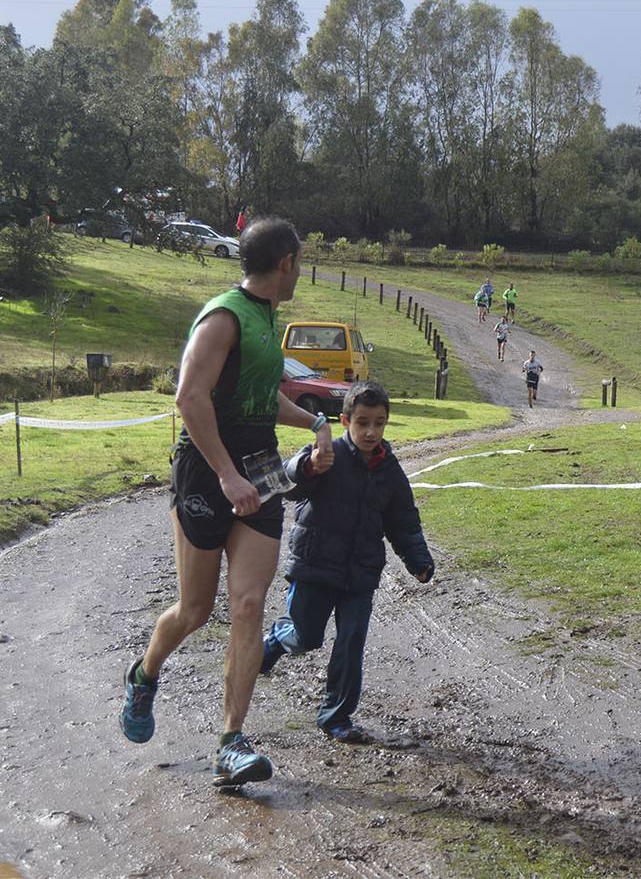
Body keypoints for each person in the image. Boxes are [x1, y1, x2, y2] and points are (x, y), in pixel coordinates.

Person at [120, 218, 335, 790]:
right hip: (205, 469)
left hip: (261, 468)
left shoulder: (267, 318)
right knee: (194, 610)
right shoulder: (223, 317)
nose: (301, 267)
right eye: (301, 258)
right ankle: (143, 675)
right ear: (285, 261)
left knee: (248, 603)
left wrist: (316, 421)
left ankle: (230, 742)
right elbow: (189, 397)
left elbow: (263, 401)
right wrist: (224, 475)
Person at [258, 381, 435, 743]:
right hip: (314, 568)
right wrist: (307, 465)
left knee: (351, 643)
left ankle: (336, 717)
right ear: (344, 421)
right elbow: (288, 484)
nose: (371, 431)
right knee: (304, 637)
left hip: (360, 575)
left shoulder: (390, 469)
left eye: (379, 423)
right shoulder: (326, 455)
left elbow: (402, 519)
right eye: (363, 422)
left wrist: (418, 559)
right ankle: (276, 640)